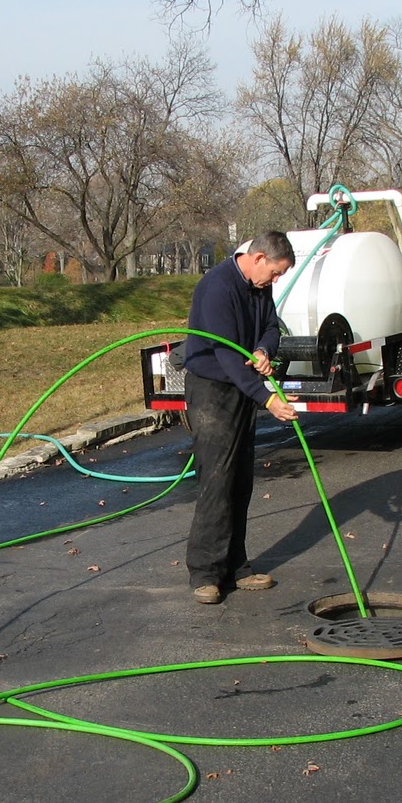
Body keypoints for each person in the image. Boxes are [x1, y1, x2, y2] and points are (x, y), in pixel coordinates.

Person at [182, 230, 298, 604]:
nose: (275, 281)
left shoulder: (258, 287)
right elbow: (227, 355)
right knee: (217, 478)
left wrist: (265, 348)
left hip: (241, 386)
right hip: (211, 390)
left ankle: (235, 566)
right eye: (276, 273)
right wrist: (267, 399)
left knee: (241, 479)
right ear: (259, 257)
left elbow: (270, 326)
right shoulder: (217, 287)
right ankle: (204, 572)